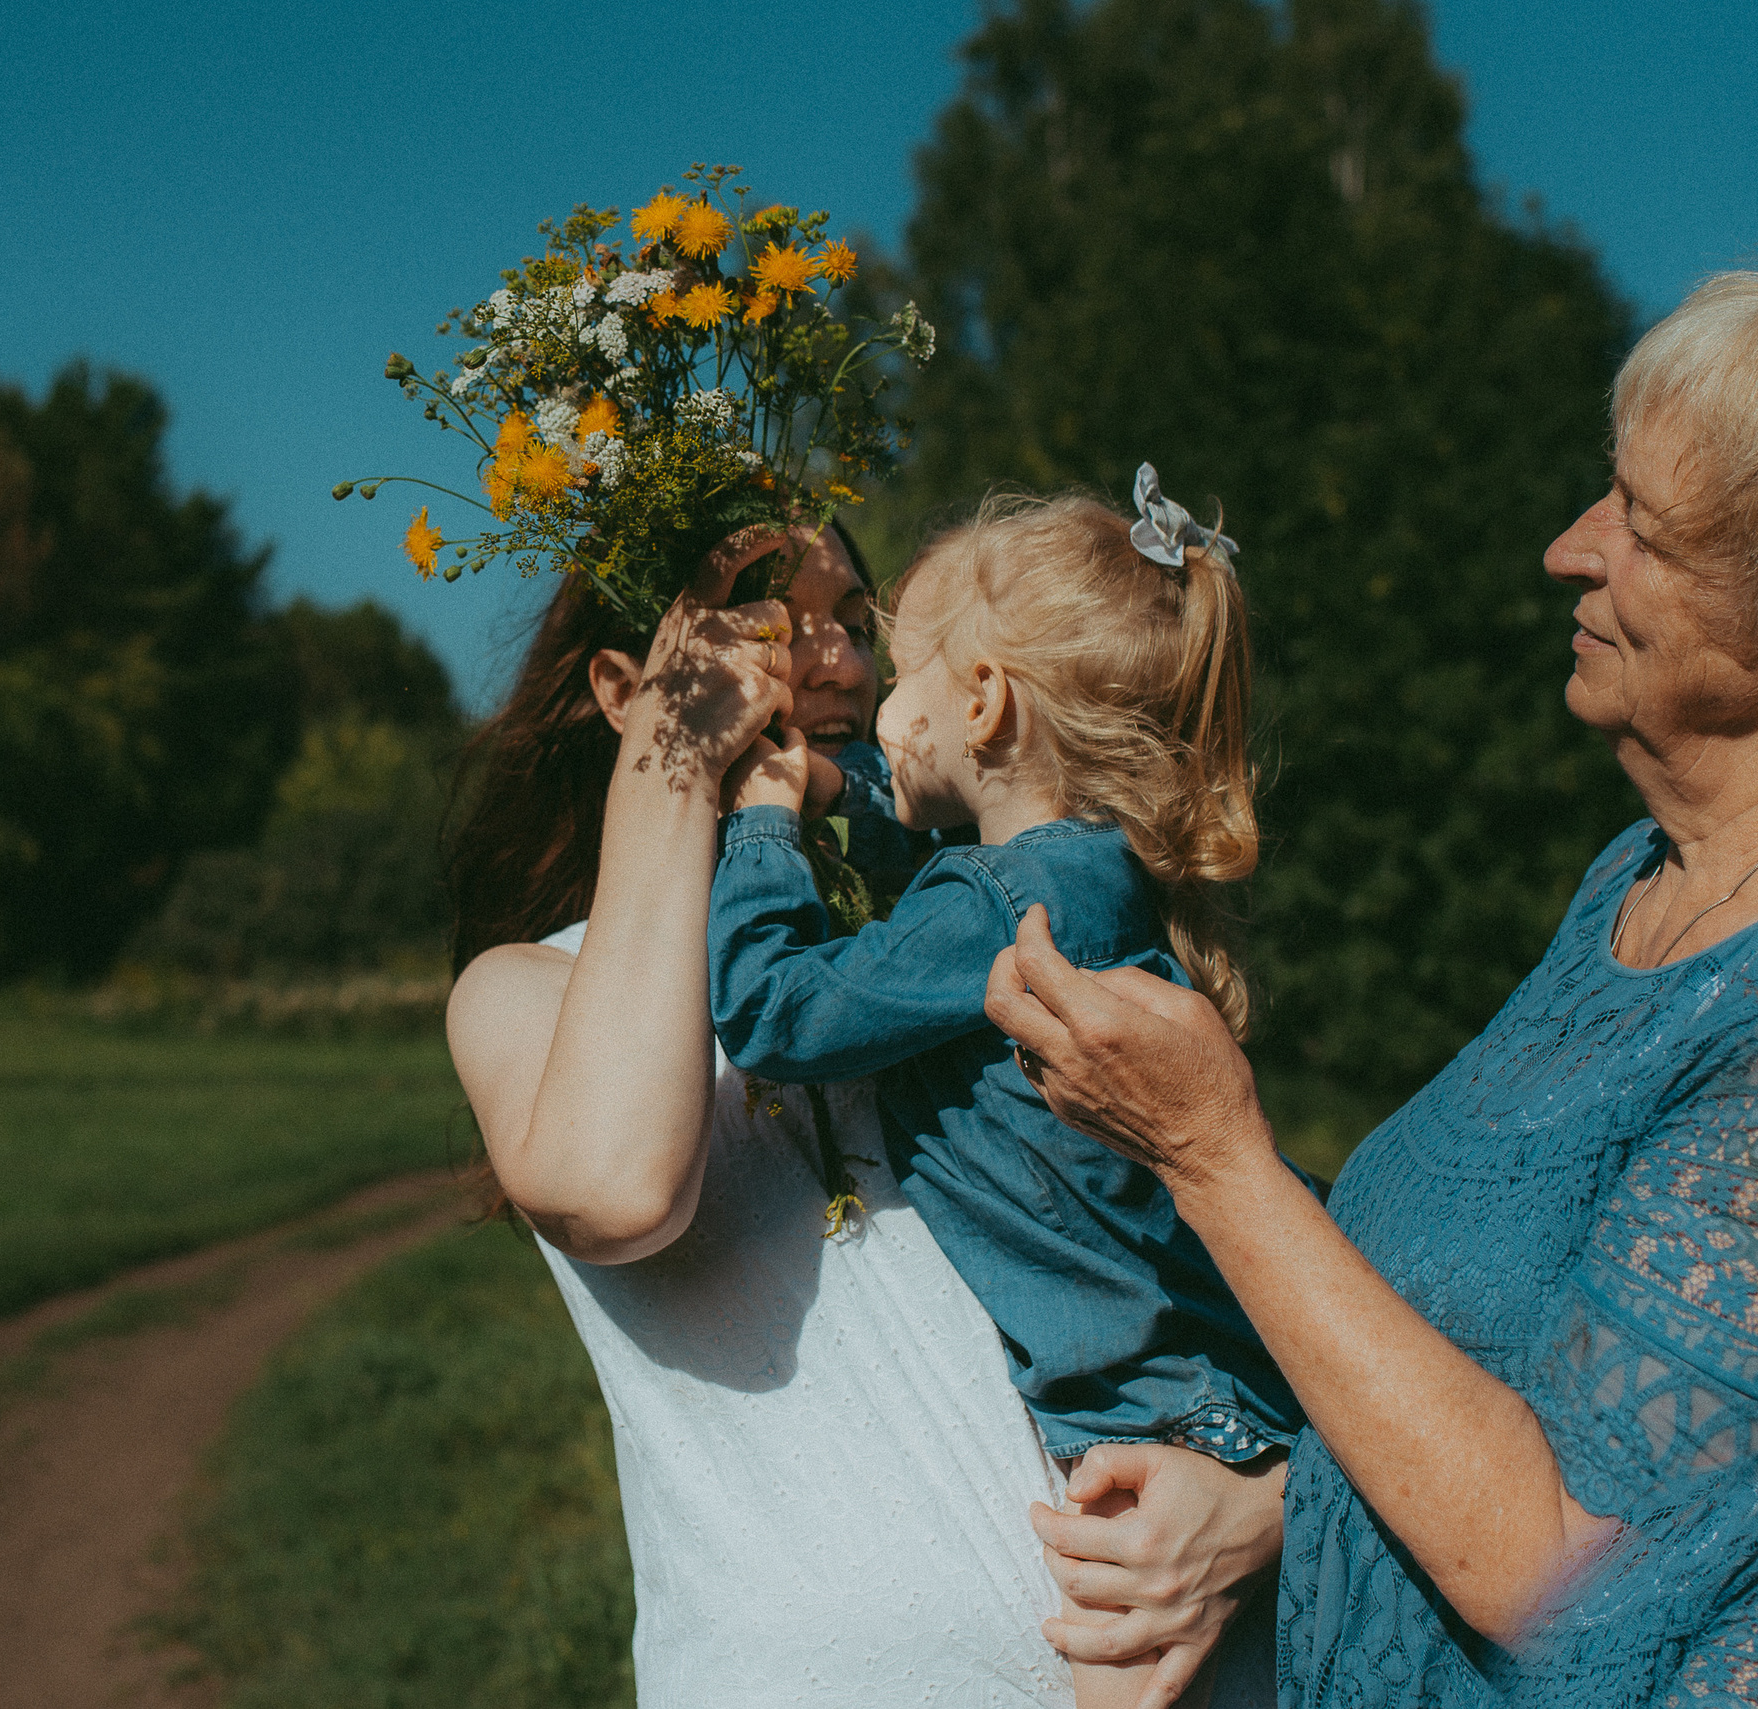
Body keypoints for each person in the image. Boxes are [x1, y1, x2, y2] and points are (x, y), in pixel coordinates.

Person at [985, 245, 1758, 1707]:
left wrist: (1210, 1152)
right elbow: (1542, 1398)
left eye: (1650, 530)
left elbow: (1593, 1565)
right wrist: (1275, 1519)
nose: (1570, 547)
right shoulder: (1649, 880)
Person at [444, 522, 1285, 1708]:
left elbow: (1214, 1272)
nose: (838, 658)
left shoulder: (961, 936)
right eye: (772, 618)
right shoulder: (530, 988)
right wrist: (685, 762)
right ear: (632, 691)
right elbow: (617, 1184)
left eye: (854, 617)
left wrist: (1267, 1508)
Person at [704, 482, 1303, 1709]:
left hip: (1149, 1420)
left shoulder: (987, 911)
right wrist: (841, 793)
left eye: (898, 679)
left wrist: (763, 824)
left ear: (981, 701)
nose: (877, 711)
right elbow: (924, 818)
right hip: (1200, 1386)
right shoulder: (1082, 871)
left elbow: (776, 1012)